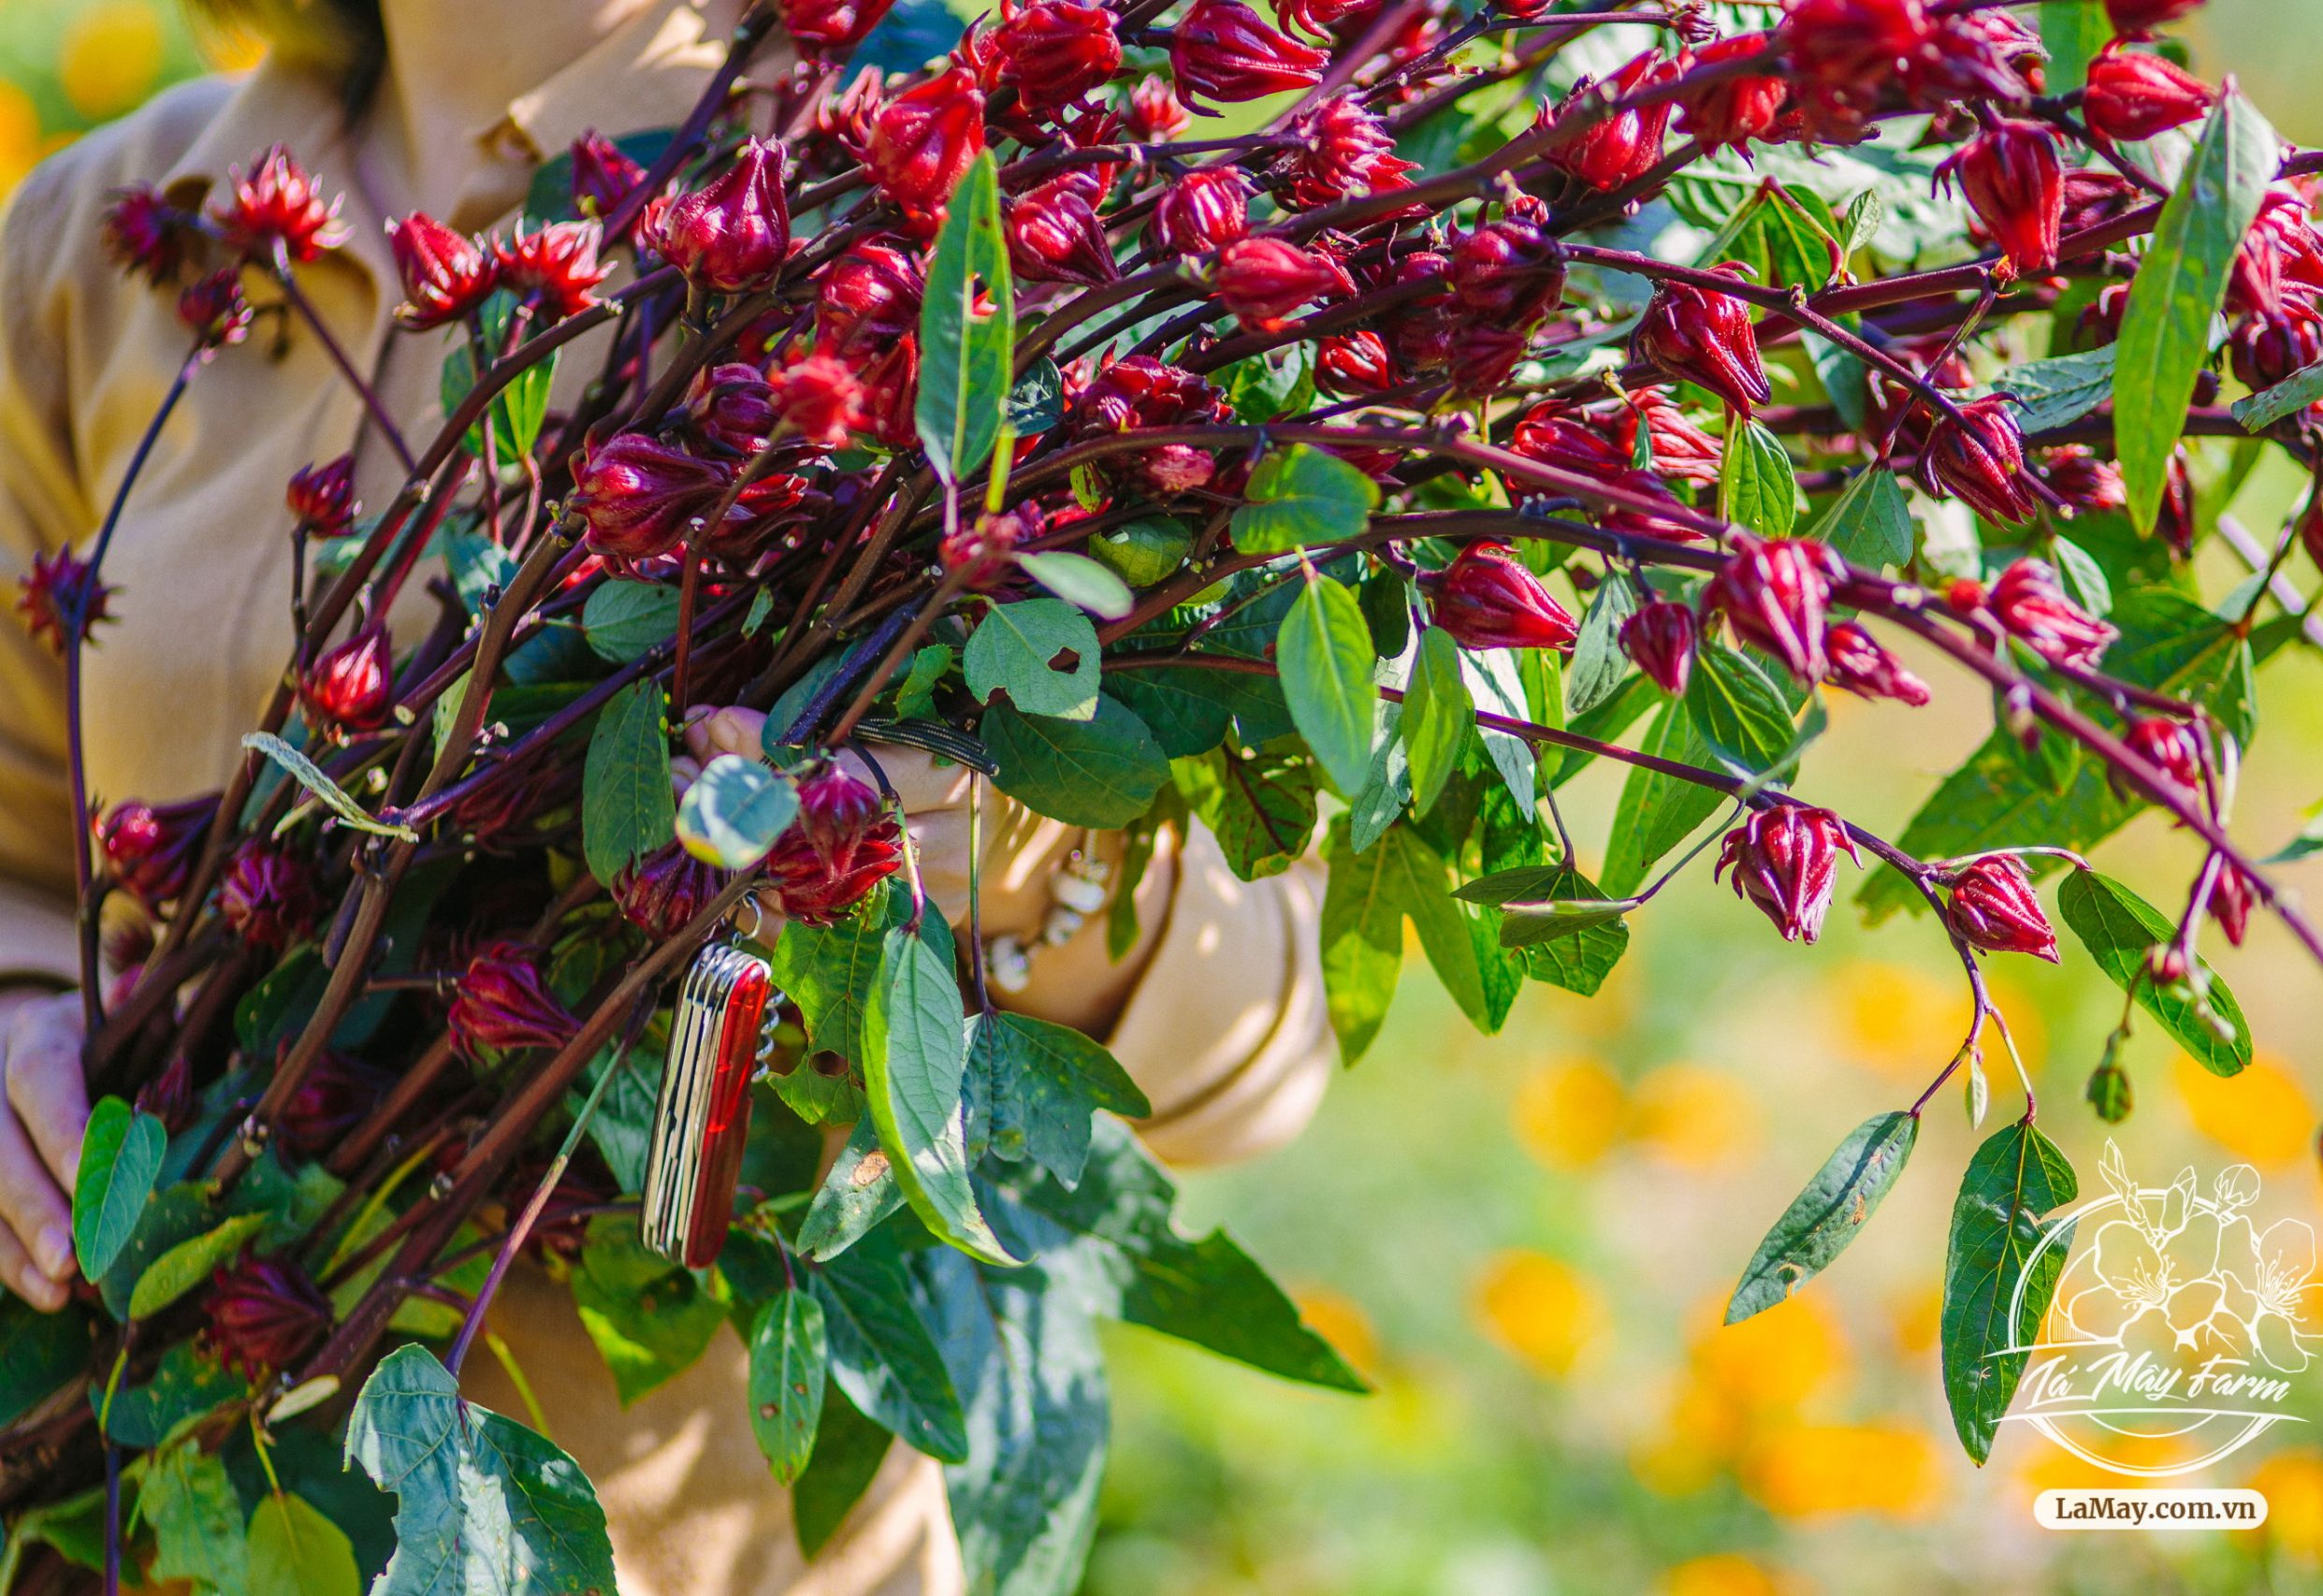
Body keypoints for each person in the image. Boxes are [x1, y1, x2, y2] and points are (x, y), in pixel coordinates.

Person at [0, 0, 1336, 1589]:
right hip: (140, 1506)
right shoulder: (109, 231)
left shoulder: (940, 161)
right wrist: (19, 1015)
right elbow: (18, 840)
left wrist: (1002, 855)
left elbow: (1262, 1055)